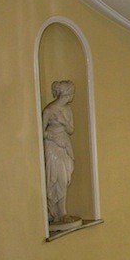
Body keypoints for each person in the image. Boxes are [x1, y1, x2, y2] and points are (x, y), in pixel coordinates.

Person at [43, 80, 78, 225]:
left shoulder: (68, 110)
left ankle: (62, 212)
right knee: (55, 178)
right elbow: (40, 131)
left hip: (64, 144)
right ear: (66, 94)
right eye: (72, 93)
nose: (72, 96)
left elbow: (71, 130)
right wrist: (52, 138)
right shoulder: (49, 111)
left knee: (64, 178)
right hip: (52, 145)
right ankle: (56, 213)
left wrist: (64, 121)